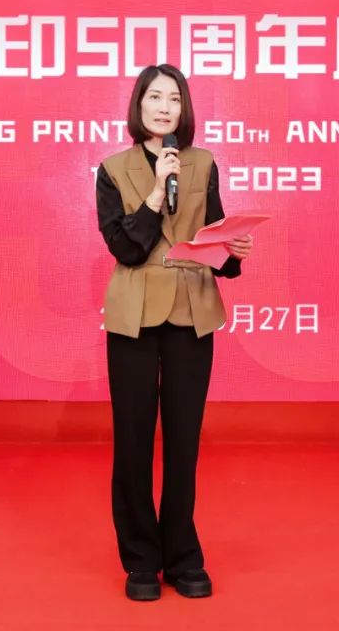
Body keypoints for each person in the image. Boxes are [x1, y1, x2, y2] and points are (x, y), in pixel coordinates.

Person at [95, 64, 252, 601]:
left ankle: (183, 555)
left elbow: (214, 239)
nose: (165, 108)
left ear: (184, 110)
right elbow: (125, 248)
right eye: (155, 98)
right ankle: (141, 559)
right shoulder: (112, 169)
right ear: (138, 104)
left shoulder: (203, 163)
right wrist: (155, 195)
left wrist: (233, 252)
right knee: (133, 441)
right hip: (133, 315)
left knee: (183, 441)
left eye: (175, 99)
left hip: (192, 309)